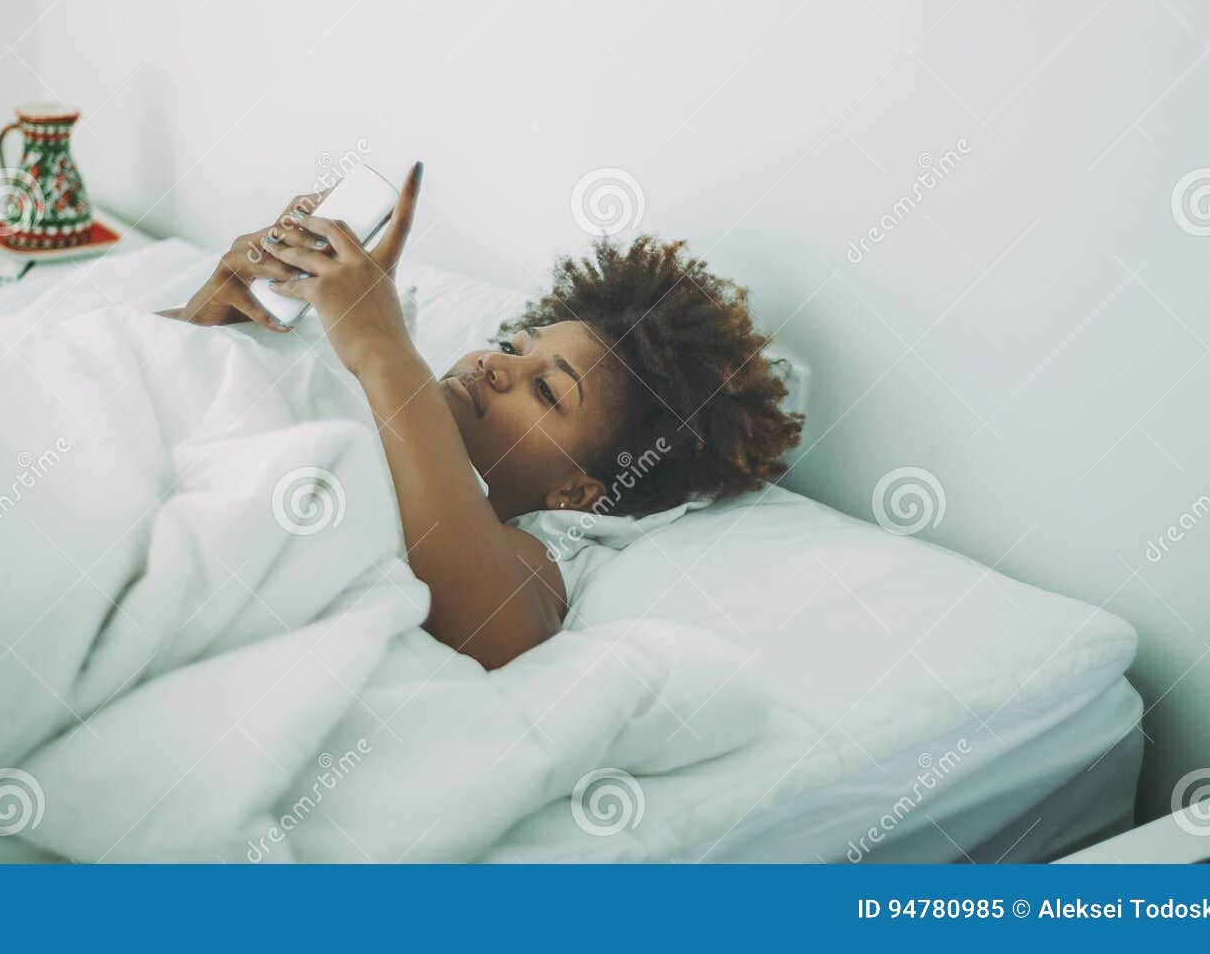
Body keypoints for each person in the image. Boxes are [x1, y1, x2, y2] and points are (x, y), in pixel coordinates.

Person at [159, 164, 802, 668]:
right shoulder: (352, 375)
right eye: (512, 348)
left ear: (575, 491)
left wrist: (382, 349)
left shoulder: (532, 549)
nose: (498, 368)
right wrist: (212, 311)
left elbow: (498, 631)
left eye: (546, 393)